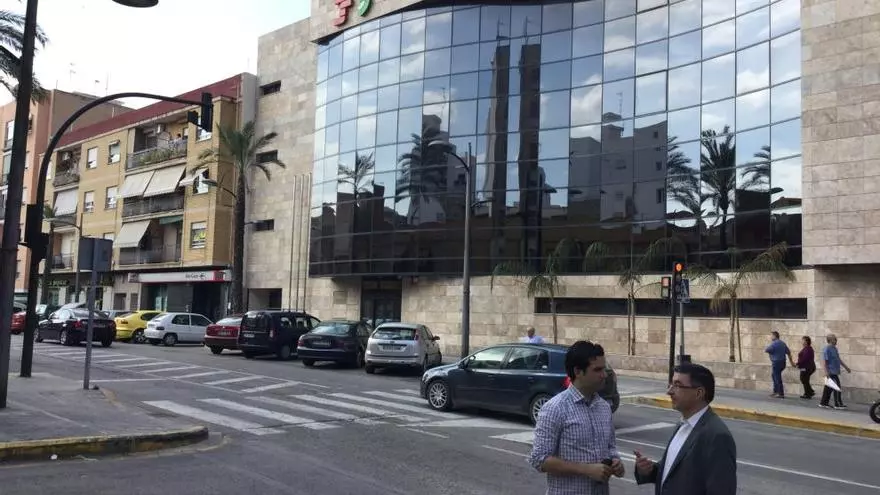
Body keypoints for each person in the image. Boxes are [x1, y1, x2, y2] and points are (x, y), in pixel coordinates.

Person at [528, 340, 623, 494]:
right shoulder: (555, 408)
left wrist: (616, 463)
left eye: (604, 369)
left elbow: (611, 448)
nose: (604, 375)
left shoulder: (604, 408)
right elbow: (539, 459)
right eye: (597, 370)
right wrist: (586, 469)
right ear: (578, 371)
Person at [633, 363, 737, 495]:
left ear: (698, 393)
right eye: (671, 384)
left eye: (677, 385)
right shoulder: (683, 424)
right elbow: (674, 473)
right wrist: (649, 470)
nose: (669, 391)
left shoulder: (717, 436)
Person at [819, 334, 851, 409]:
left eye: (836, 339)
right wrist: (826, 372)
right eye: (834, 339)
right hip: (831, 372)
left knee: (828, 388)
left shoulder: (835, 349)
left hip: (835, 371)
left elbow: (838, 359)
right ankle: (837, 404)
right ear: (830, 340)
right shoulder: (827, 349)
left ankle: (823, 403)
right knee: (837, 387)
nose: (836, 340)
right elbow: (824, 361)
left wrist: (846, 367)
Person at [764, 331, 795, 398]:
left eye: (771, 336)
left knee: (777, 377)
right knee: (774, 375)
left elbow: (766, 350)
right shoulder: (783, 343)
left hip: (776, 362)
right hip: (783, 363)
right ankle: (776, 391)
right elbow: (788, 352)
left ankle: (780, 393)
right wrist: (791, 362)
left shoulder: (774, 344)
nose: (770, 337)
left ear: (775, 336)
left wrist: (771, 353)